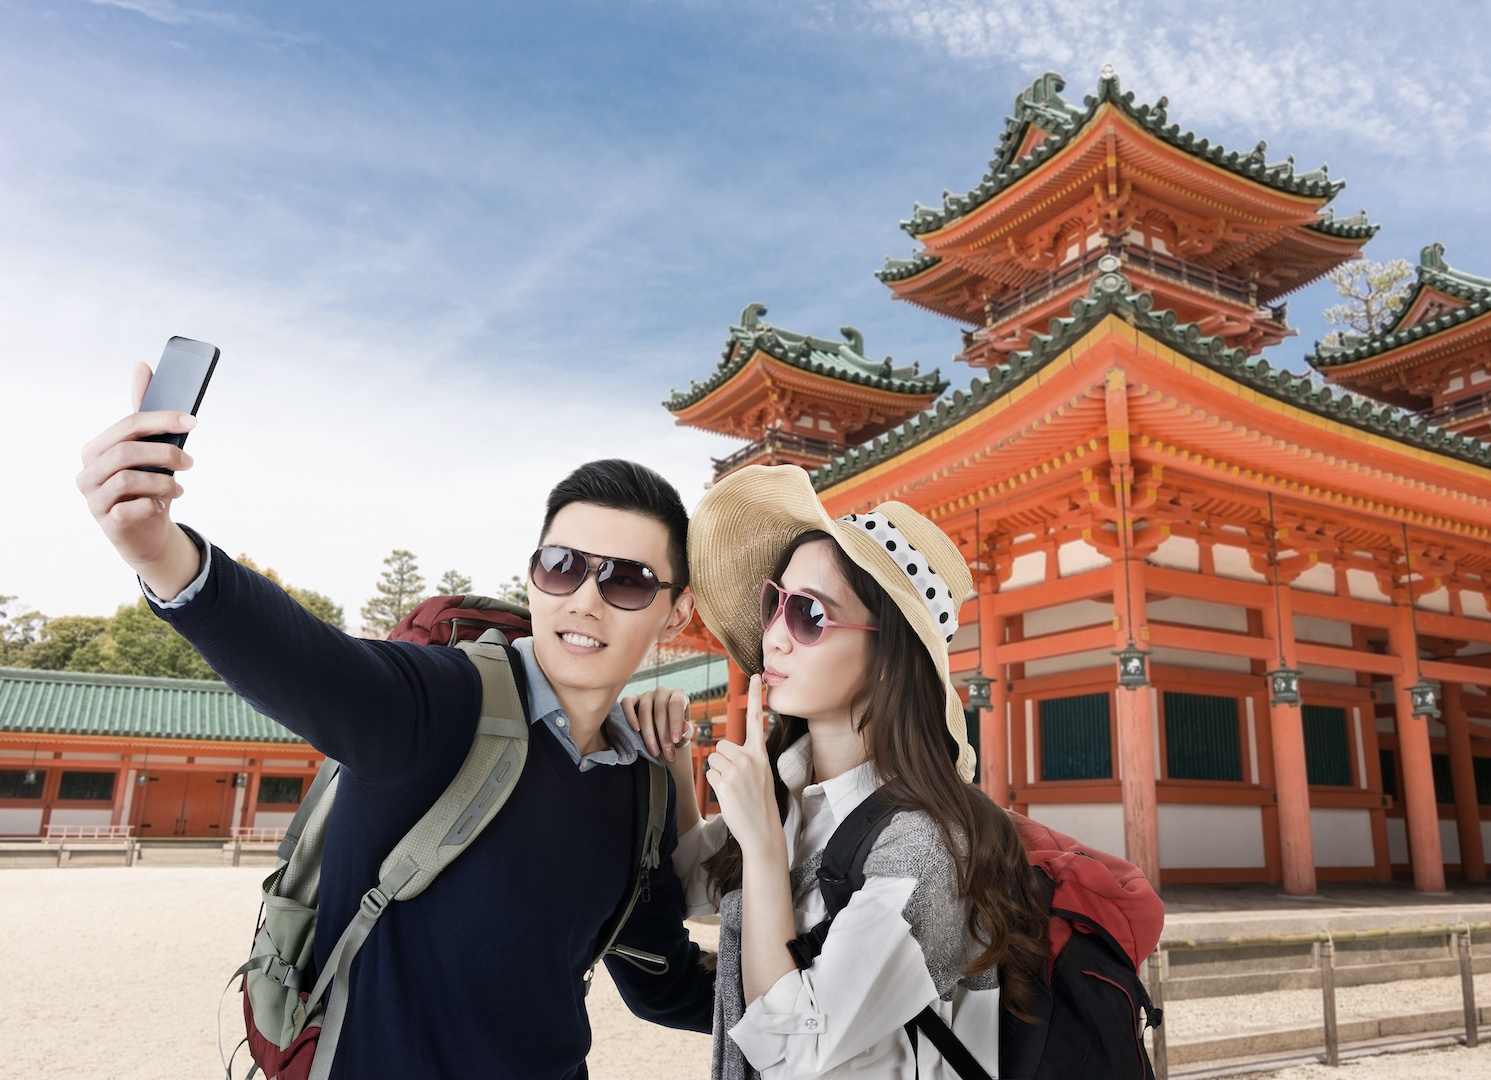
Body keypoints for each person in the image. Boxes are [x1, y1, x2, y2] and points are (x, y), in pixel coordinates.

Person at [75, 368, 714, 1080]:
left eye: (625, 580)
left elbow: (666, 981)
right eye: (563, 567)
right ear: (533, 577)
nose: (586, 601)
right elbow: (309, 660)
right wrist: (159, 551)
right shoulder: (443, 704)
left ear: (676, 612)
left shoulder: (642, 785)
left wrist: (833, 989)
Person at [622, 464, 1049, 1079]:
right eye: (776, 606)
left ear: (887, 658)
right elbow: (688, 880)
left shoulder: (928, 848)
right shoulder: (797, 793)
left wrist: (766, 849)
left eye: (810, 617)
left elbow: (792, 1052)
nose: (774, 638)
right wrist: (672, 757)